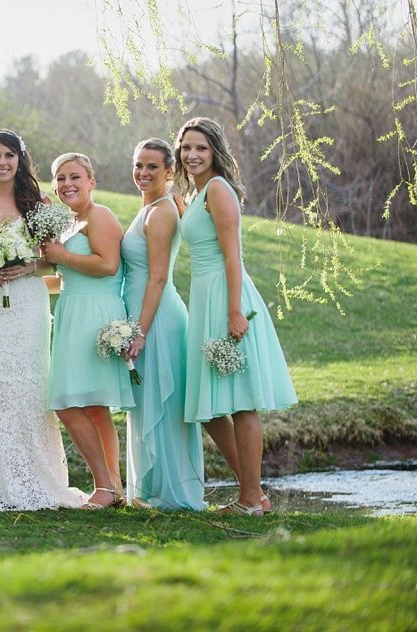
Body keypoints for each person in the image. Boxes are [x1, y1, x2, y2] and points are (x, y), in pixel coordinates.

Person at [0, 129, 86, 511]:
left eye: (9, 155)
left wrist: (27, 265)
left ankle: (33, 478)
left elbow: (52, 258)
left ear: (19, 158)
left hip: (27, 303)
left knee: (29, 385)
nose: (2, 162)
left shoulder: (38, 202)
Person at [175, 117, 298, 515]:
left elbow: (233, 254)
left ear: (214, 152)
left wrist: (233, 311)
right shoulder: (194, 194)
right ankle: (254, 492)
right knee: (209, 408)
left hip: (228, 296)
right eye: (187, 147)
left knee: (241, 403)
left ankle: (249, 499)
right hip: (205, 296)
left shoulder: (217, 189)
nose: (192, 155)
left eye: (201, 148)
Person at [41, 153, 134, 509]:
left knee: (67, 403)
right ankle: (114, 488)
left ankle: (105, 486)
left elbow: (108, 265)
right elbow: (65, 279)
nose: (67, 184)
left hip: (96, 313)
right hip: (73, 309)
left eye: (75, 177)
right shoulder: (67, 223)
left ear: (91, 181)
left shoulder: (100, 216)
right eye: (60, 178)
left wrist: (61, 256)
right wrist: (23, 278)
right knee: (94, 407)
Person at [121, 138, 205, 510]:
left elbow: (157, 278)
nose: (143, 173)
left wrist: (139, 330)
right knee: (145, 401)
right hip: (144, 314)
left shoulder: (162, 212)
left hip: (156, 317)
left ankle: (173, 494)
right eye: (138, 165)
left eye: (152, 166)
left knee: (163, 405)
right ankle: (148, 490)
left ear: (170, 171)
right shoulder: (152, 206)